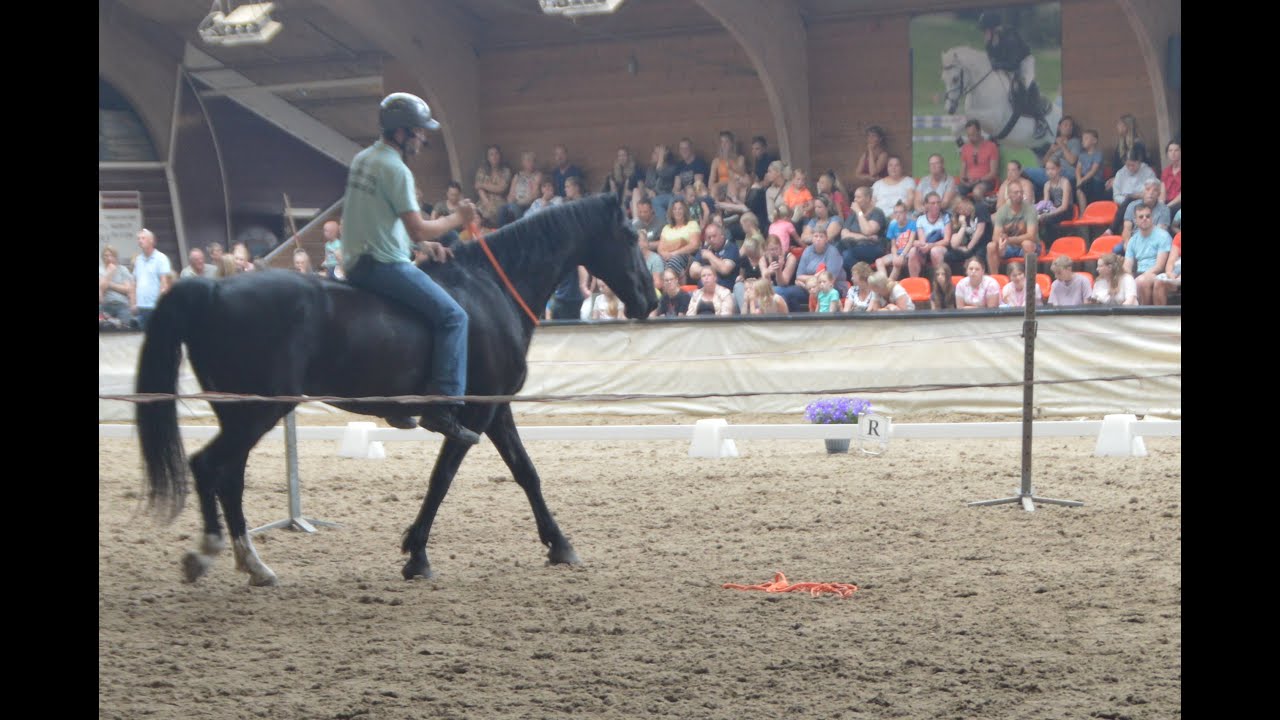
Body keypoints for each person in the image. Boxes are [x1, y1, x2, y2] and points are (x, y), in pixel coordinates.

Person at [341, 92, 481, 444]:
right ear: (402, 133)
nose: (423, 138)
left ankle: (398, 402)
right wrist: (457, 219)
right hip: (383, 266)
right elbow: (418, 225)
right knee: (454, 317)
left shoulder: (363, 159)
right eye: (419, 131)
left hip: (358, 261)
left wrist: (421, 246)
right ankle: (444, 405)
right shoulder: (396, 169)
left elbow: (380, 221)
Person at [978, 11, 1050, 138]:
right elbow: (992, 61)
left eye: (985, 30)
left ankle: (1040, 121)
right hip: (1006, 64)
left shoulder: (1010, 38)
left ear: (993, 29)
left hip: (1023, 62)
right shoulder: (990, 42)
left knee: (1024, 84)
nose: (984, 34)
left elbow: (1014, 64)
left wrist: (997, 65)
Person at [986, 182, 1040, 274]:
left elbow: (1031, 236)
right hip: (1009, 247)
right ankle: (995, 279)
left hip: (1030, 246)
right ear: (1009, 195)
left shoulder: (1030, 210)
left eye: (1021, 192)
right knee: (991, 246)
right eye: (1016, 192)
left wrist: (1009, 240)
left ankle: (1030, 277)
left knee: (1027, 243)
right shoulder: (1002, 211)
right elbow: (995, 237)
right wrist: (1002, 242)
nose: (1019, 195)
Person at [1123, 206, 1172, 305]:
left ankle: (1145, 314)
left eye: (1148, 216)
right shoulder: (1133, 240)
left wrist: (1141, 277)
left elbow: (1159, 266)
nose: (1145, 218)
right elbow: (1127, 265)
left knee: (1141, 281)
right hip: (1139, 273)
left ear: (1152, 218)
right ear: (1136, 221)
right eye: (1141, 217)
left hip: (1158, 273)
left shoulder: (1163, 236)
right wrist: (1128, 277)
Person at [131, 229, 173, 330]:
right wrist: (133, 303)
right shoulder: (138, 260)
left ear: (151, 241)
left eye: (143, 238)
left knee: (157, 338)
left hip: (155, 307)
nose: (140, 241)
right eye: (138, 239)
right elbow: (134, 283)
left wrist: (159, 304)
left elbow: (164, 284)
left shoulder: (161, 258)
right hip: (141, 307)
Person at [99, 245, 134, 328]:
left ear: (115, 257)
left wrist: (110, 284)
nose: (109, 258)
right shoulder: (100, 270)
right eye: (106, 255)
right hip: (105, 305)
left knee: (125, 328)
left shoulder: (123, 269)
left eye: (111, 255)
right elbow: (101, 289)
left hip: (122, 304)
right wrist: (109, 273)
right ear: (102, 257)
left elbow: (127, 289)